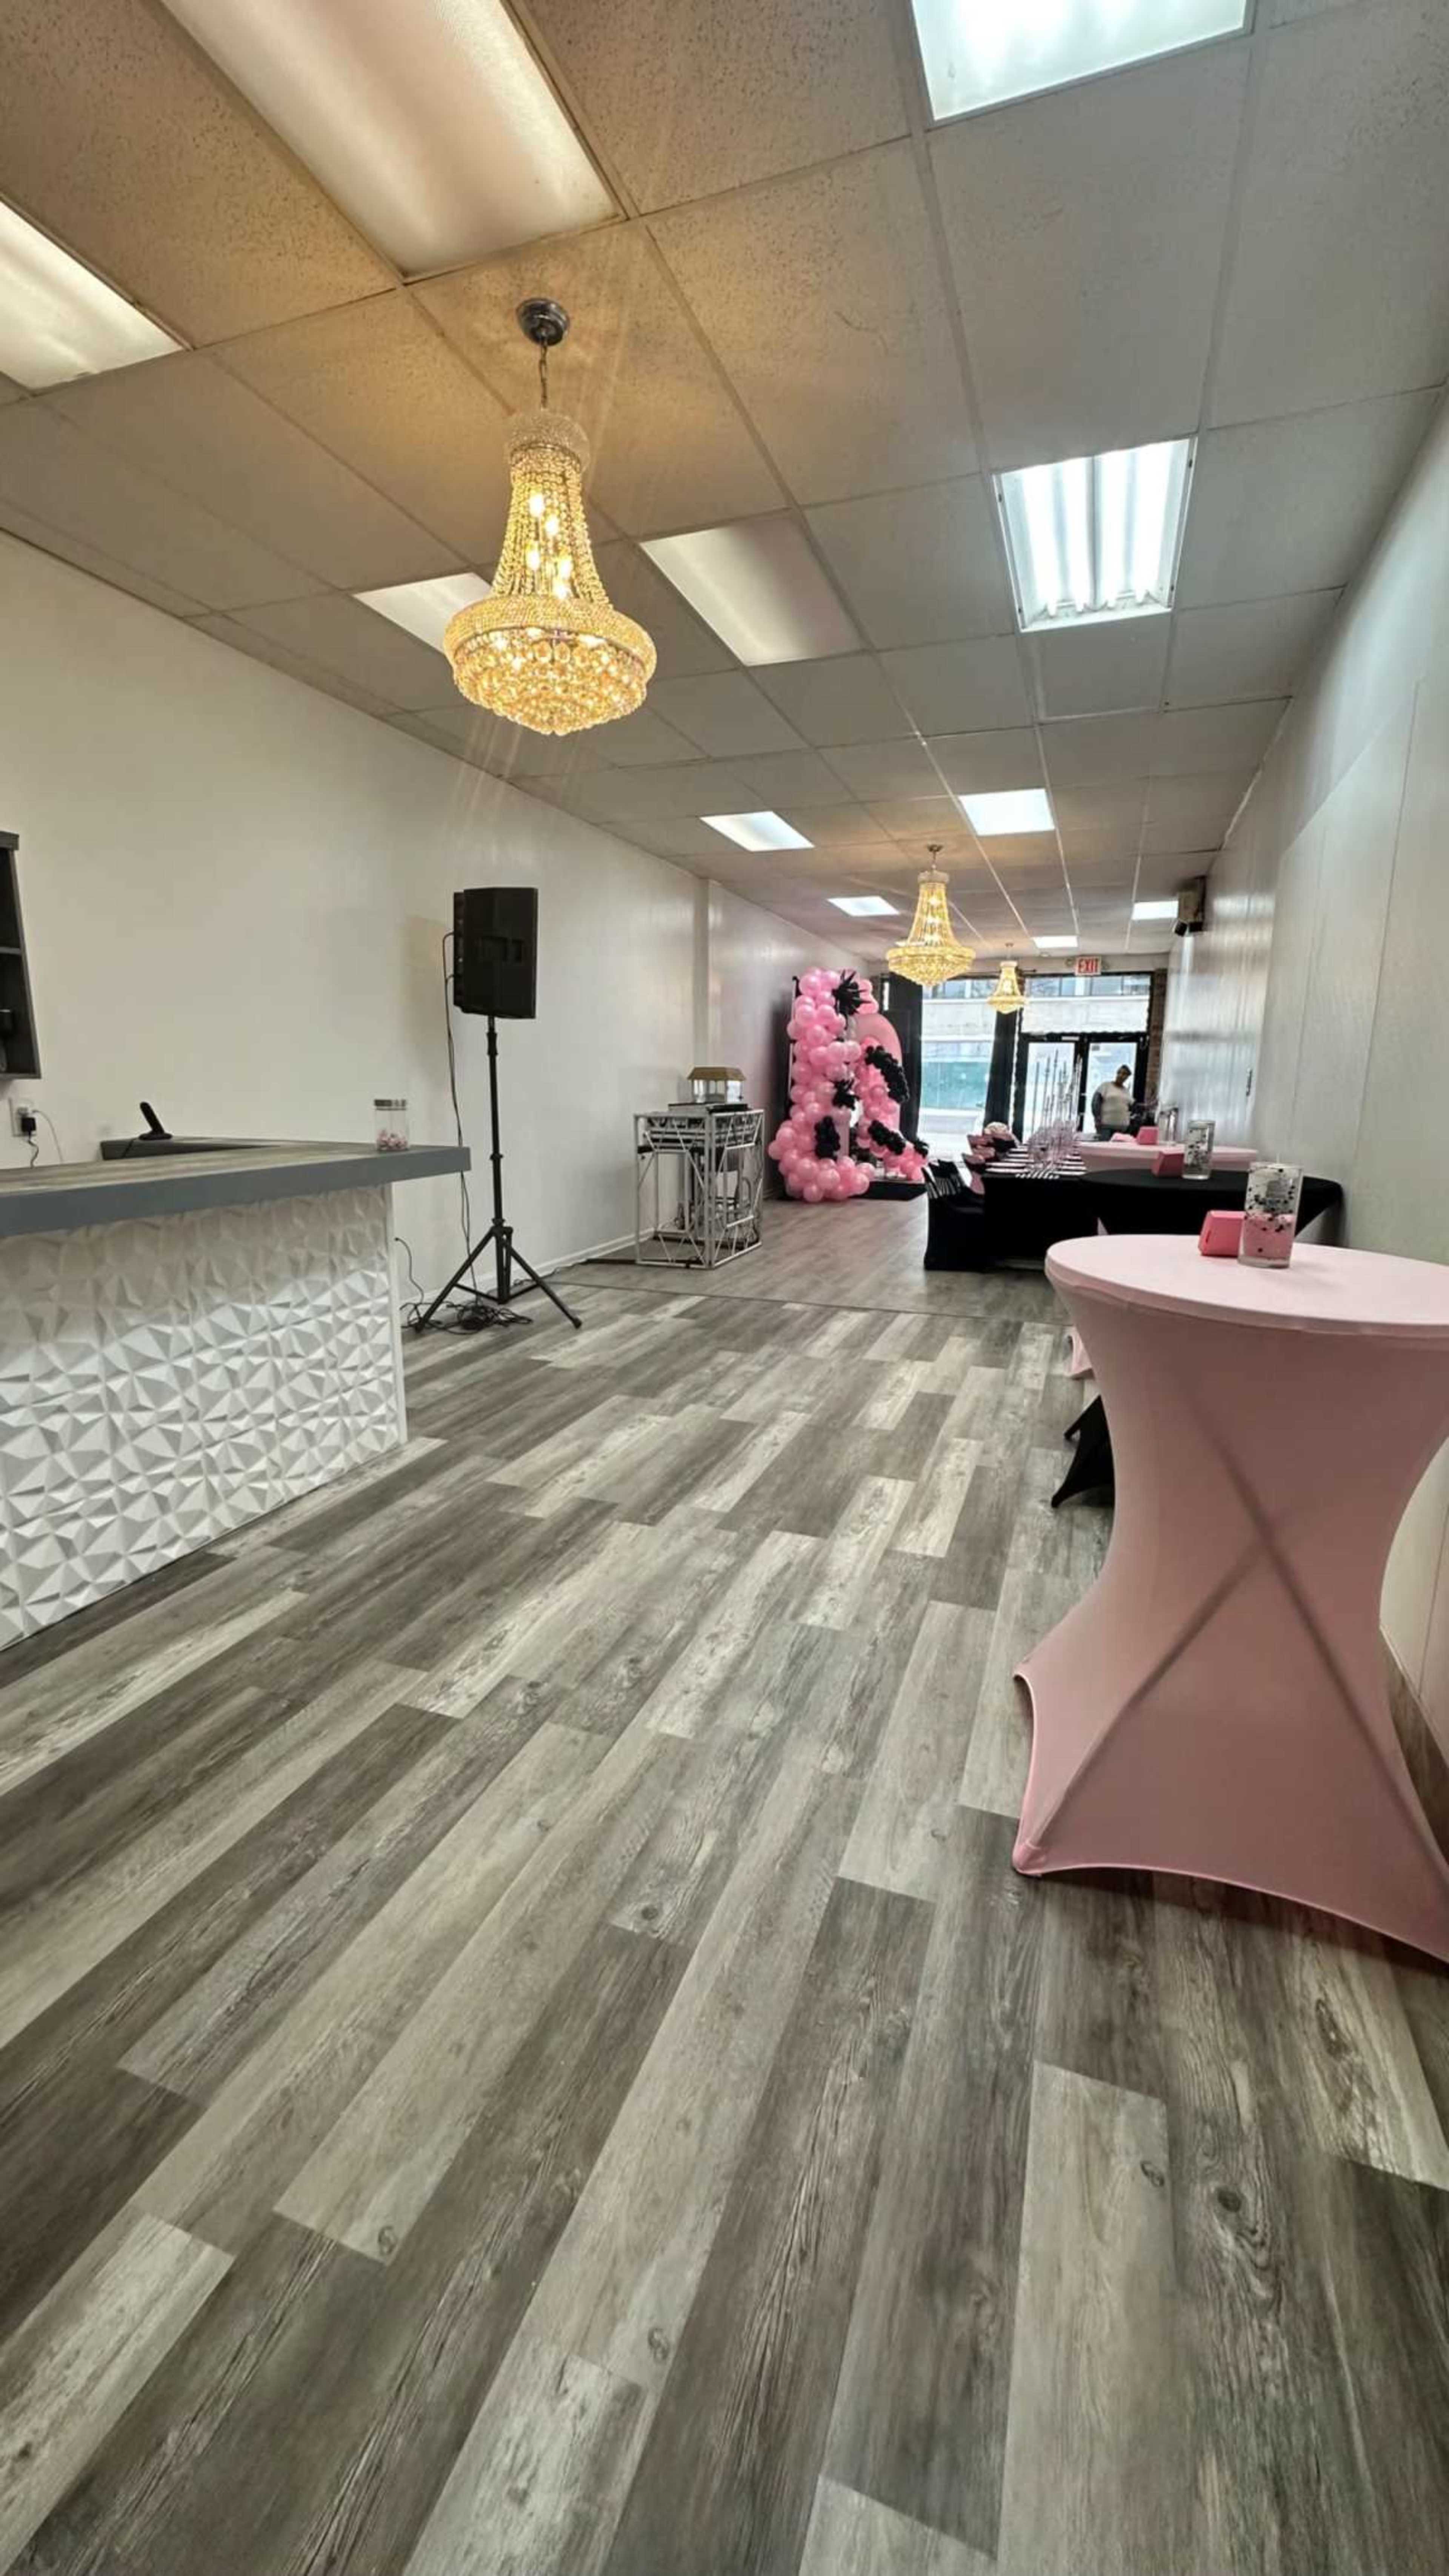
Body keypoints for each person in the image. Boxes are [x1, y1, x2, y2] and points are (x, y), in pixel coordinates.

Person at [1091, 1064, 1134, 1138]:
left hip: (1122, 1128)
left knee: (1117, 1149)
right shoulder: (1106, 1086)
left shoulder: (1126, 1091)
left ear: (1127, 1078)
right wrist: (1097, 1119)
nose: (1121, 1076)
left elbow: (1132, 1106)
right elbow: (1095, 1103)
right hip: (1106, 1127)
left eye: (1124, 1074)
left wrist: (1150, 1105)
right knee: (1104, 1148)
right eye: (1120, 1073)